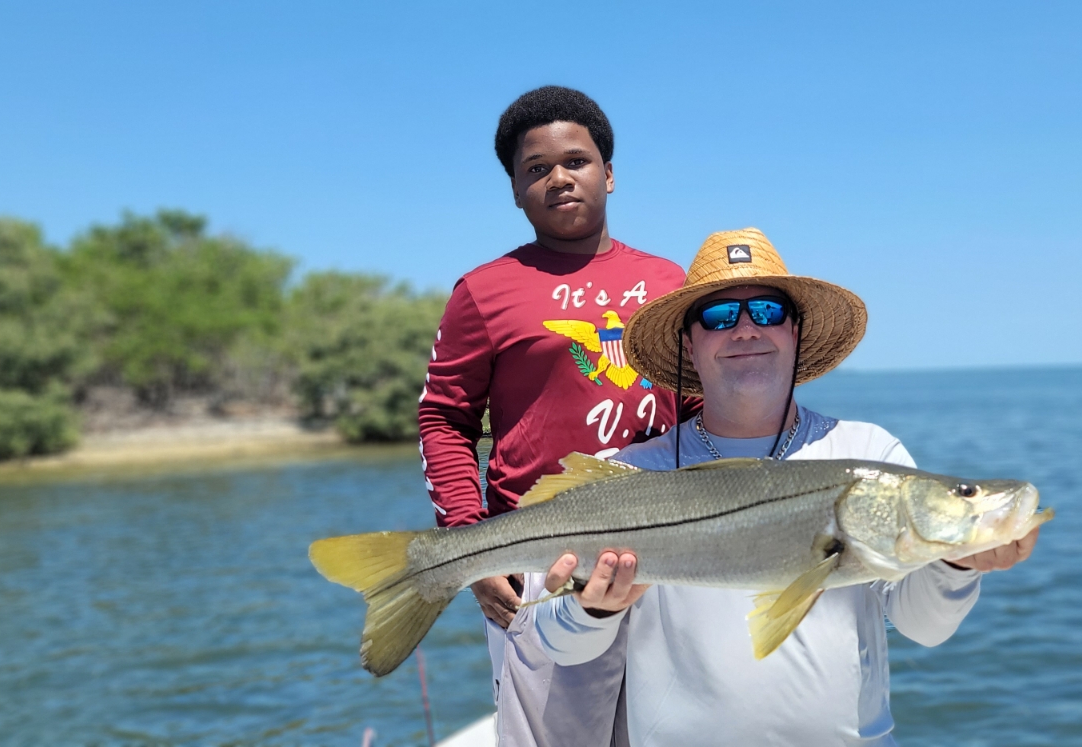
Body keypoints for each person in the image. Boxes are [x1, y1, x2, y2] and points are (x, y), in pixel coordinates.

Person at [529, 228, 1043, 746]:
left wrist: (957, 565)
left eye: (768, 311)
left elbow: (925, 627)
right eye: (719, 316)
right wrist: (596, 608)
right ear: (689, 344)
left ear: (794, 331)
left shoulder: (870, 451)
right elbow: (558, 644)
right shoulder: (631, 472)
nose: (745, 329)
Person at [416, 86, 694, 741]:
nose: (559, 178)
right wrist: (471, 549)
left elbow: (705, 412)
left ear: (609, 173)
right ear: (515, 190)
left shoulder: (670, 283)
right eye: (536, 168)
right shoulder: (483, 291)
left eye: (577, 161)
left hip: (669, 546)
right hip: (541, 563)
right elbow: (444, 421)